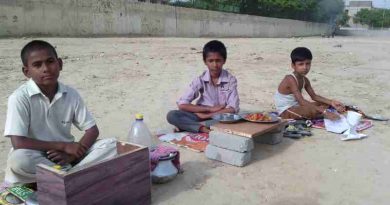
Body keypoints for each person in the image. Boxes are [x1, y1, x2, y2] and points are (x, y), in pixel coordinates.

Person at [3, 40, 116, 184]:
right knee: (18, 160)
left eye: (50, 61)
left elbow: (92, 130)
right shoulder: (19, 97)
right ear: (27, 72)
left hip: (68, 156)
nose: (46, 69)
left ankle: (67, 175)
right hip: (37, 156)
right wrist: (63, 146)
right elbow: (18, 142)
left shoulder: (70, 94)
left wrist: (72, 155)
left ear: (60, 64)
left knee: (111, 144)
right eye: (37, 65)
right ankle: (74, 176)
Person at [167, 40, 239, 133]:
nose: (215, 65)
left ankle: (190, 127)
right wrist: (208, 109)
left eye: (218, 60)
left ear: (224, 60)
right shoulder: (200, 79)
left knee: (233, 119)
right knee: (172, 115)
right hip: (199, 115)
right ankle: (202, 128)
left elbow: (233, 108)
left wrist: (209, 115)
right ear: (205, 61)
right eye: (211, 61)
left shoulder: (230, 80)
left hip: (219, 117)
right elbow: (182, 105)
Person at [274, 47, 345, 120]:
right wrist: (324, 111)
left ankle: (322, 113)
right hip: (286, 111)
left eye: (308, 63)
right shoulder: (290, 79)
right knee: (312, 111)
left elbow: (314, 96)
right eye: (301, 64)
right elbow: (301, 101)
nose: (305, 67)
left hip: (297, 106)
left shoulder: (305, 79)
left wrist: (332, 102)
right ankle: (322, 115)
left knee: (325, 104)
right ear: (293, 66)